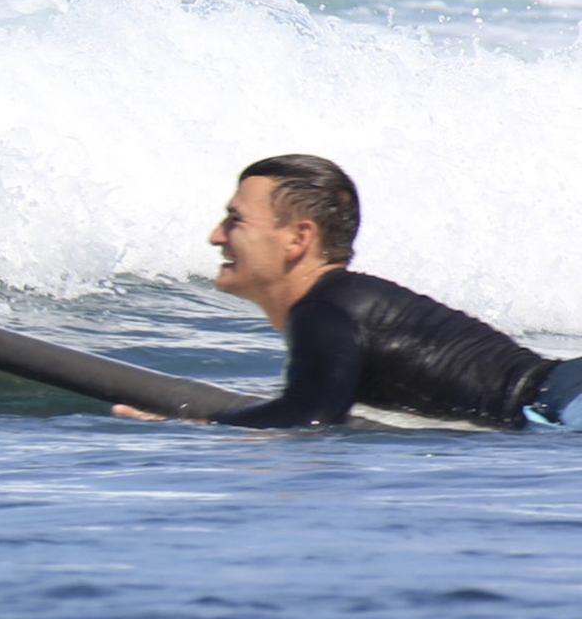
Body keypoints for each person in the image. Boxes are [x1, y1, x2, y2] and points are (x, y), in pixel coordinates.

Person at [119, 155, 581, 429]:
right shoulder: (338, 304)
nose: (216, 237)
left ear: (298, 239)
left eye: (235, 220)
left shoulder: (323, 311)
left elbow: (309, 418)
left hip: (562, 404)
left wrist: (194, 430)